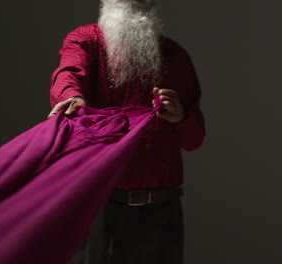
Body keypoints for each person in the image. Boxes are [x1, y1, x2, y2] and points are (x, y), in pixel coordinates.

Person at [47, 0, 205, 263]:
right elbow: (68, 74)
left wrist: (181, 117)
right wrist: (72, 97)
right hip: (100, 207)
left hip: (162, 212)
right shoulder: (86, 40)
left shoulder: (176, 56)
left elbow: (194, 139)